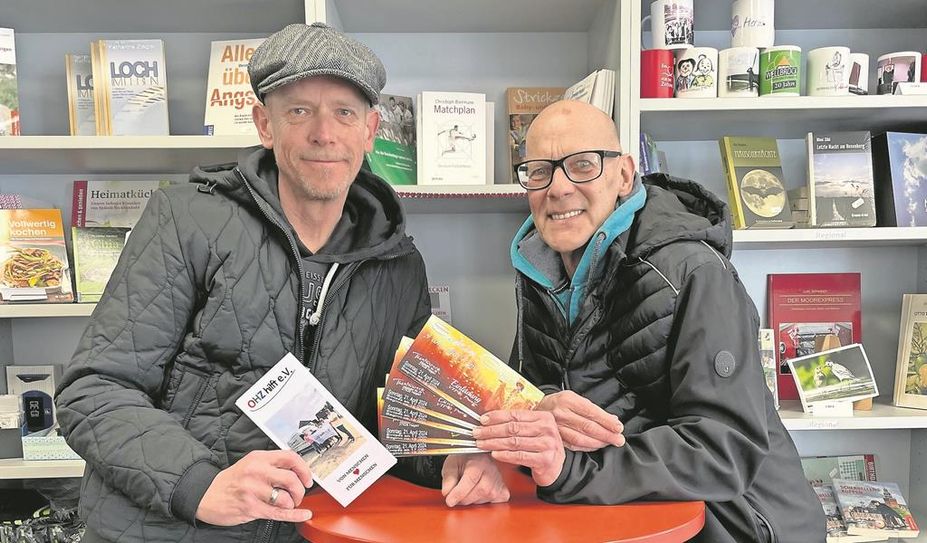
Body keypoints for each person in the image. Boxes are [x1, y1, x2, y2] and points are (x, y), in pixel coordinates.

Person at [55, 23, 444, 543]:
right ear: (265, 124)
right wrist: (200, 484)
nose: (323, 134)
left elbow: (402, 419)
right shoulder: (186, 219)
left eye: (344, 113)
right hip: (168, 528)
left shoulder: (400, 265)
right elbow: (93, 390)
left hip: (314, 530)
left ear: (369, 130)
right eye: (299, 111)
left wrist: (454, 460)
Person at [454, 100, 826, 542]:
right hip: (621, 511)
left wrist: (570, 469)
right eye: (539, 170)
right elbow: (532, 393)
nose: (558, 188)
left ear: (625, 174)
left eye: (582, 165)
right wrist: (534, 411)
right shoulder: (539, 271)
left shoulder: (693, 271)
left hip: (743, 522)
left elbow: (723, 448)